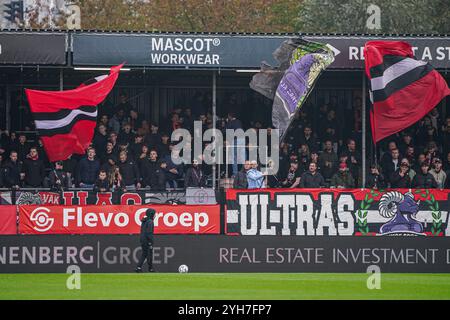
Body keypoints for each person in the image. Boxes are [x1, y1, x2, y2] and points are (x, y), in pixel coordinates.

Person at [135, 208, 156, 273]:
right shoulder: (150, 221)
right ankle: (150, 269)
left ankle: (138, 267)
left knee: (144, 254)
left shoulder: (144, 221)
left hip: (142, 239)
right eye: (155, 214)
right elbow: (149, 233)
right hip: (147, 240)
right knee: (149, 254)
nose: (155, 215)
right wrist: (150, 242)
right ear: (152, 214)